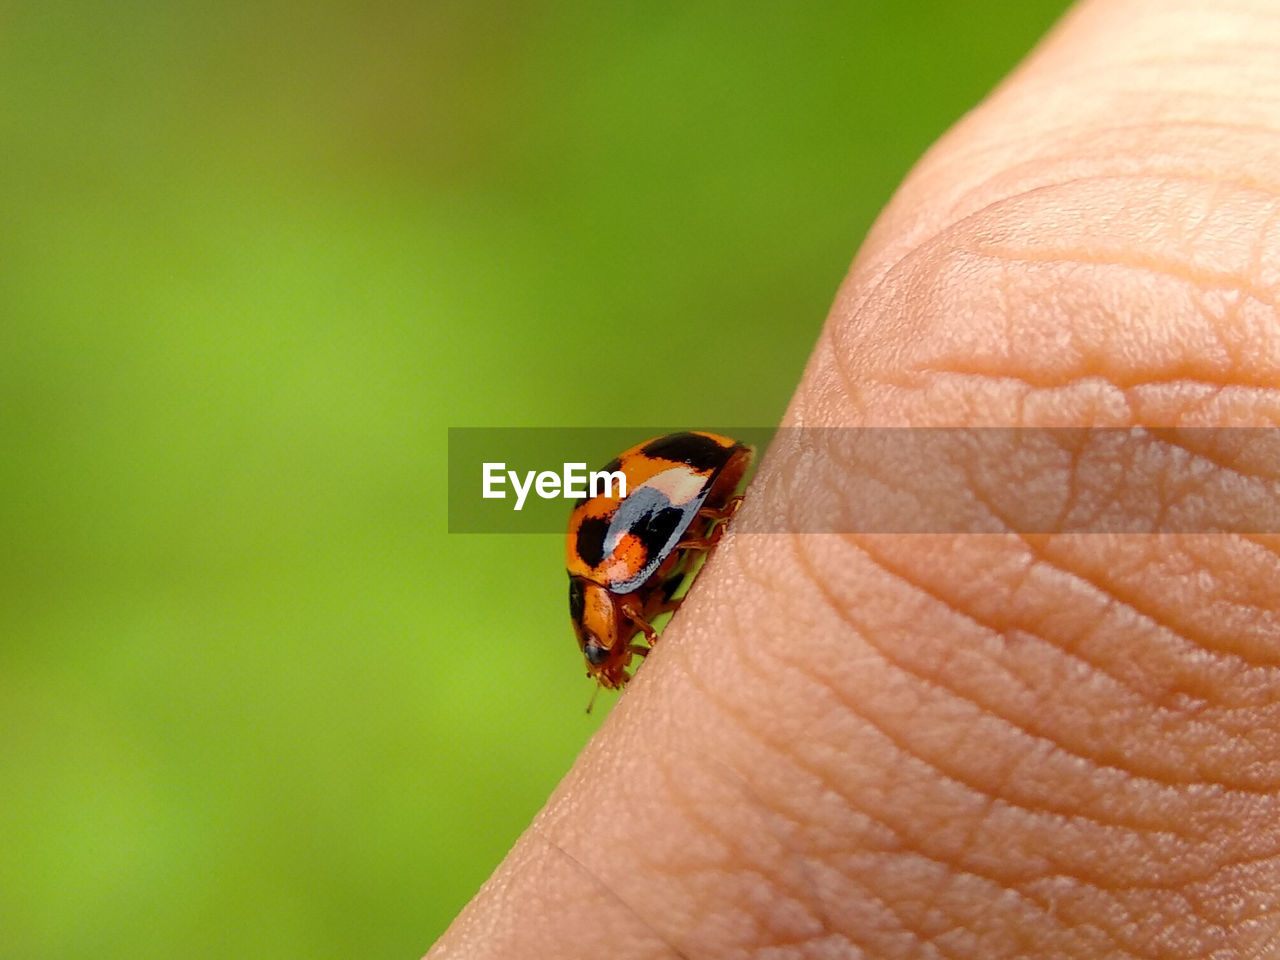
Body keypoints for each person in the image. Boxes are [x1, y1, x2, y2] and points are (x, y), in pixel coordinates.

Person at [428, 0, 1280, 955]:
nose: (618, 659)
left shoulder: (615, 574)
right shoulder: (615, 578)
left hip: (693, 469)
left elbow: (659, 543)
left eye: (607, 651)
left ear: (604, 617)